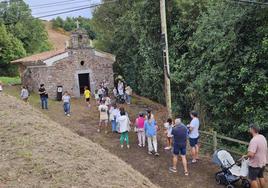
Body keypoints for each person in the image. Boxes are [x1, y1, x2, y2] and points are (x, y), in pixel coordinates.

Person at [243, 124, 267, 188]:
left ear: (252, 130)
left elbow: (251, 154)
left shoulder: (254, 140)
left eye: (250, 128)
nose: (249, 129)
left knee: (252, 179)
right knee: (261, 176)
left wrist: (245, 156)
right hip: (262, 163)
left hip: (255, 164)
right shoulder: (262, 137)